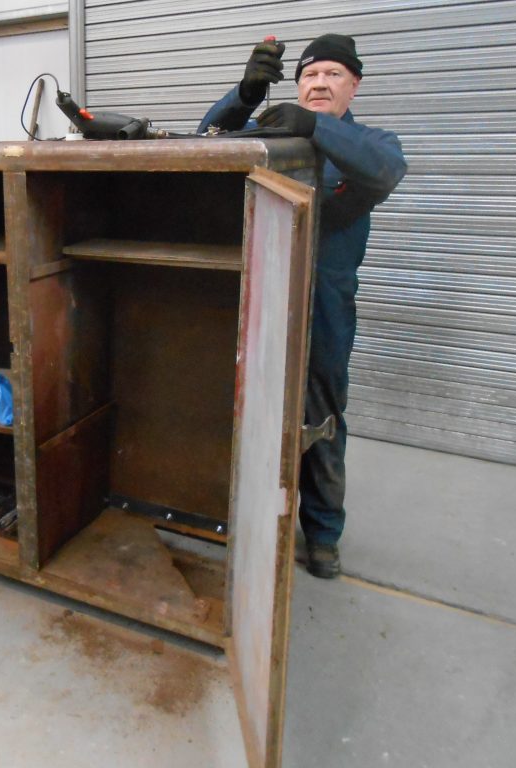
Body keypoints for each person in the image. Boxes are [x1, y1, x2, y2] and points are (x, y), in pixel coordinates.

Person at [199, 35, 407, 579]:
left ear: (353, 85)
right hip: (257, 297)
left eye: (333, 75)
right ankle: (238, 515)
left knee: (322, 418)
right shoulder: (270, 138)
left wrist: (315, 128)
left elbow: (385, 170)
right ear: (298, 84)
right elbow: (206, 142)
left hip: (325, 308)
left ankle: (322, 533)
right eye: (311, 76)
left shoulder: (369, 143)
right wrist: (243, 97)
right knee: (243, 409)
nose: (320, 84)